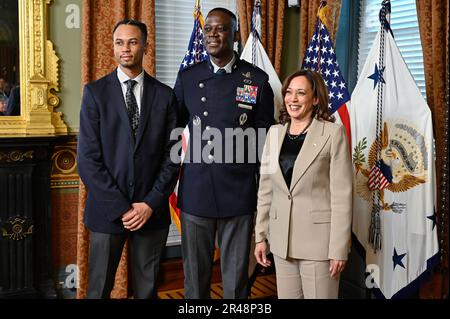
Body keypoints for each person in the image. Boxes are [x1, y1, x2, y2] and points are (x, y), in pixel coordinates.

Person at [174, 8, 274, 299]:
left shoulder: (256, 79)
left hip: (237, 193)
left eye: (220, 29)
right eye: (209, 30)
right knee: (195, 280)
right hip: (196, 193)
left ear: (235, 35)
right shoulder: (189, 77)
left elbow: (264, 139)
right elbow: (173, 127)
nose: (213, 35)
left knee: (236, 283)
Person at [77, 19, 179, 299]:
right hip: (108, 211)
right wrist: (123, 208)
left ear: (145, 45)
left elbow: (174, 156)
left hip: (151, 211)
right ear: (113, 47)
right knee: (98, 290)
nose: (126, 49)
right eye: (120, 42)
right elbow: (87, 160)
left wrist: (149, 204)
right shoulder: (95, 94)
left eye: (133, 42)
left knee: (147, 290)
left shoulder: (165, 96)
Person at [254, 69, 352, 299]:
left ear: (315, 98)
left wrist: (338, 248)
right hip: (281, 242)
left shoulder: (332, 133)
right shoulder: (274, 133)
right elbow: (266, 190)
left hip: (319, 245)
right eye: (289, 92)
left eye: (300, 93)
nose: (292, 99)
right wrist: (260, 236)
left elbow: (342, 195)